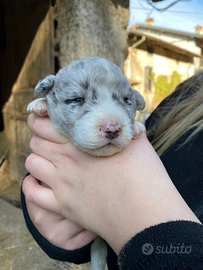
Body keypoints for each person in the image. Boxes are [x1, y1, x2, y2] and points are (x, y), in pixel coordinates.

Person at [21, 71, 203, 269]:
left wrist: (156, 235)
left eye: (124, 100)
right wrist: (47, 204)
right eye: (78, 99)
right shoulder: (190, 91)